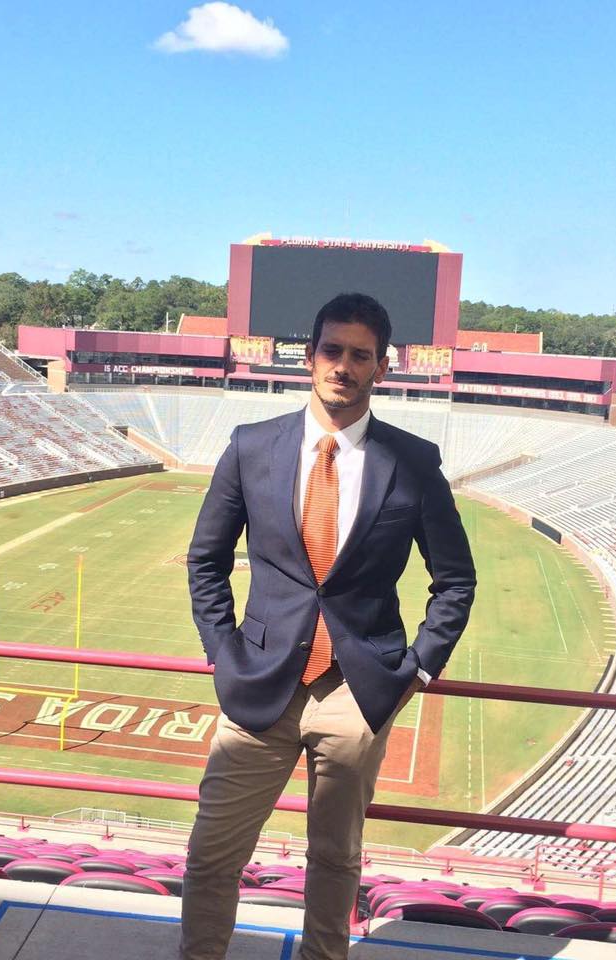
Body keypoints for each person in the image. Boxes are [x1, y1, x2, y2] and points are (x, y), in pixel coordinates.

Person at [181, 292, 476, 960]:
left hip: (357, 692)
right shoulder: (251, 447)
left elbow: (455, 579)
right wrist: (222, 653)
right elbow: (206, 560)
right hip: (258, 687)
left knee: (336, 859)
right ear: (310, 357)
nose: (343, 366)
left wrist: (416, 671)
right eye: (333, 351)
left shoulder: (414, 461)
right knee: (212, 853)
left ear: (382, 368)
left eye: (360, 355)